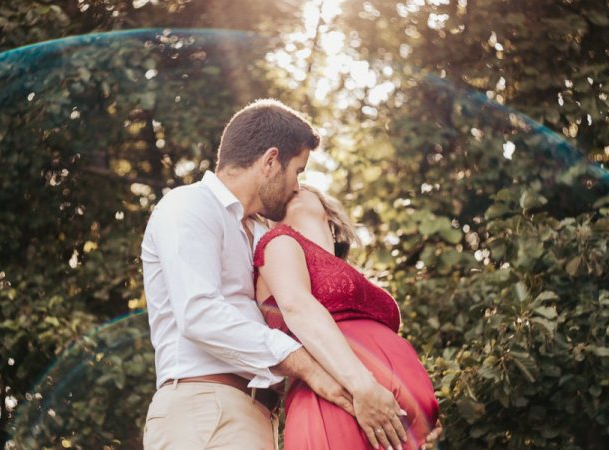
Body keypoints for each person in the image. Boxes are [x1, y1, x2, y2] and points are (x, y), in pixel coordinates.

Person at [140, 99, 408, 450]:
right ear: (270, 161)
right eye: (297, 171)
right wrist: (311, 369)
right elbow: (199, 314)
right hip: (204, 407)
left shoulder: (260, 235)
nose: (297, 186)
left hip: (256, 414)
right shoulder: (189, 206)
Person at [254, 184, 442, 450]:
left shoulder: (349, 272)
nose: (292, 187)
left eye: (301, 185)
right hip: (343, 404)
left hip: (392, 420)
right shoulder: (278, 242)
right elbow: (297, 306)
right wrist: (363, 387)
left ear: (328, 213)